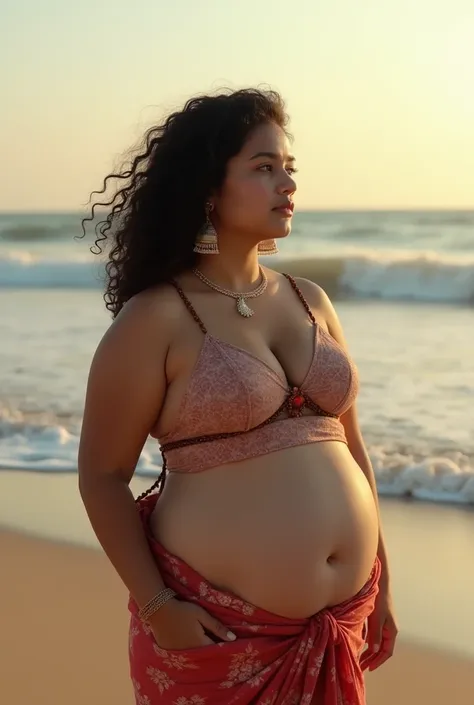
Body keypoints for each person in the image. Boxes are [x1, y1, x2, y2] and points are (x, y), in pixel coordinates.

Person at [78, 87, 398, 705]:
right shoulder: (156, 320)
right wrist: (157, 605)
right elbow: (102, 474)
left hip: (340, 622)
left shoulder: (312, 300)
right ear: (208, 187)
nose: (287, 184)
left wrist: (384, 580)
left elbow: (353, 450)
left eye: (288, 168)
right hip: (222, 640)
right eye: (263, 167)